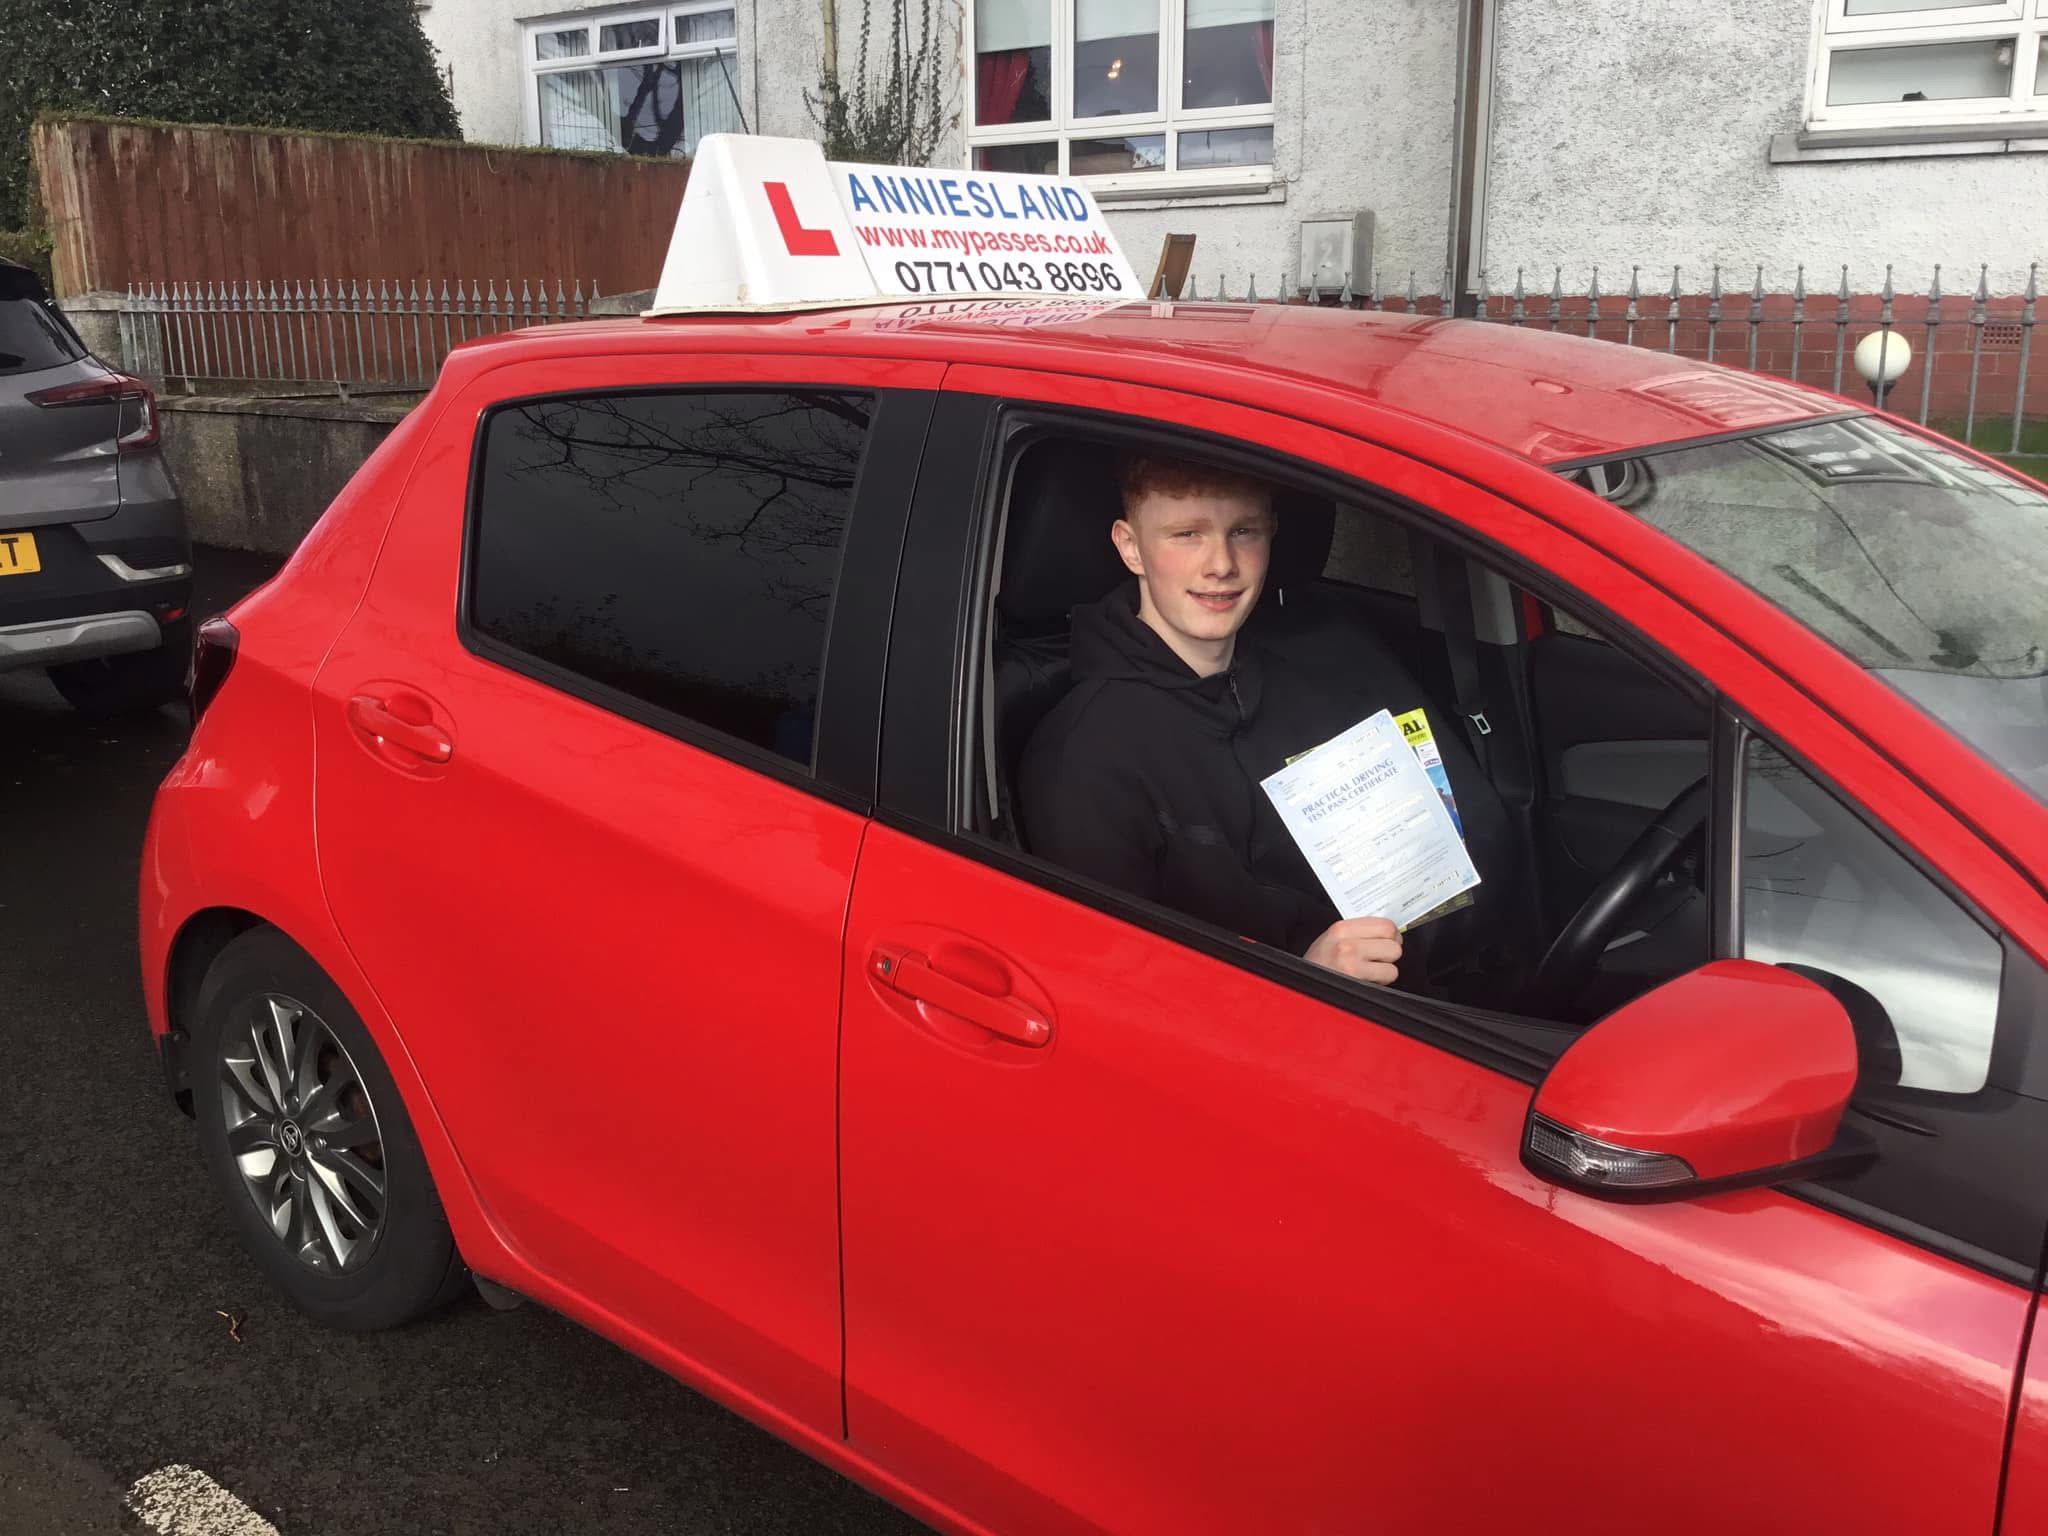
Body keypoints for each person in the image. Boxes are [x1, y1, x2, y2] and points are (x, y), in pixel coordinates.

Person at [1015, 452, 1515, 991]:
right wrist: (1306, 976)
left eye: (1244, 531)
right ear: (1130, 546)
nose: (1221, 565)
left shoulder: (1325, 667)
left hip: (1431, 988)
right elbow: (1113, 992)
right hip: (1283, 1032)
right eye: (1186, 535)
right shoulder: (1085, 754)